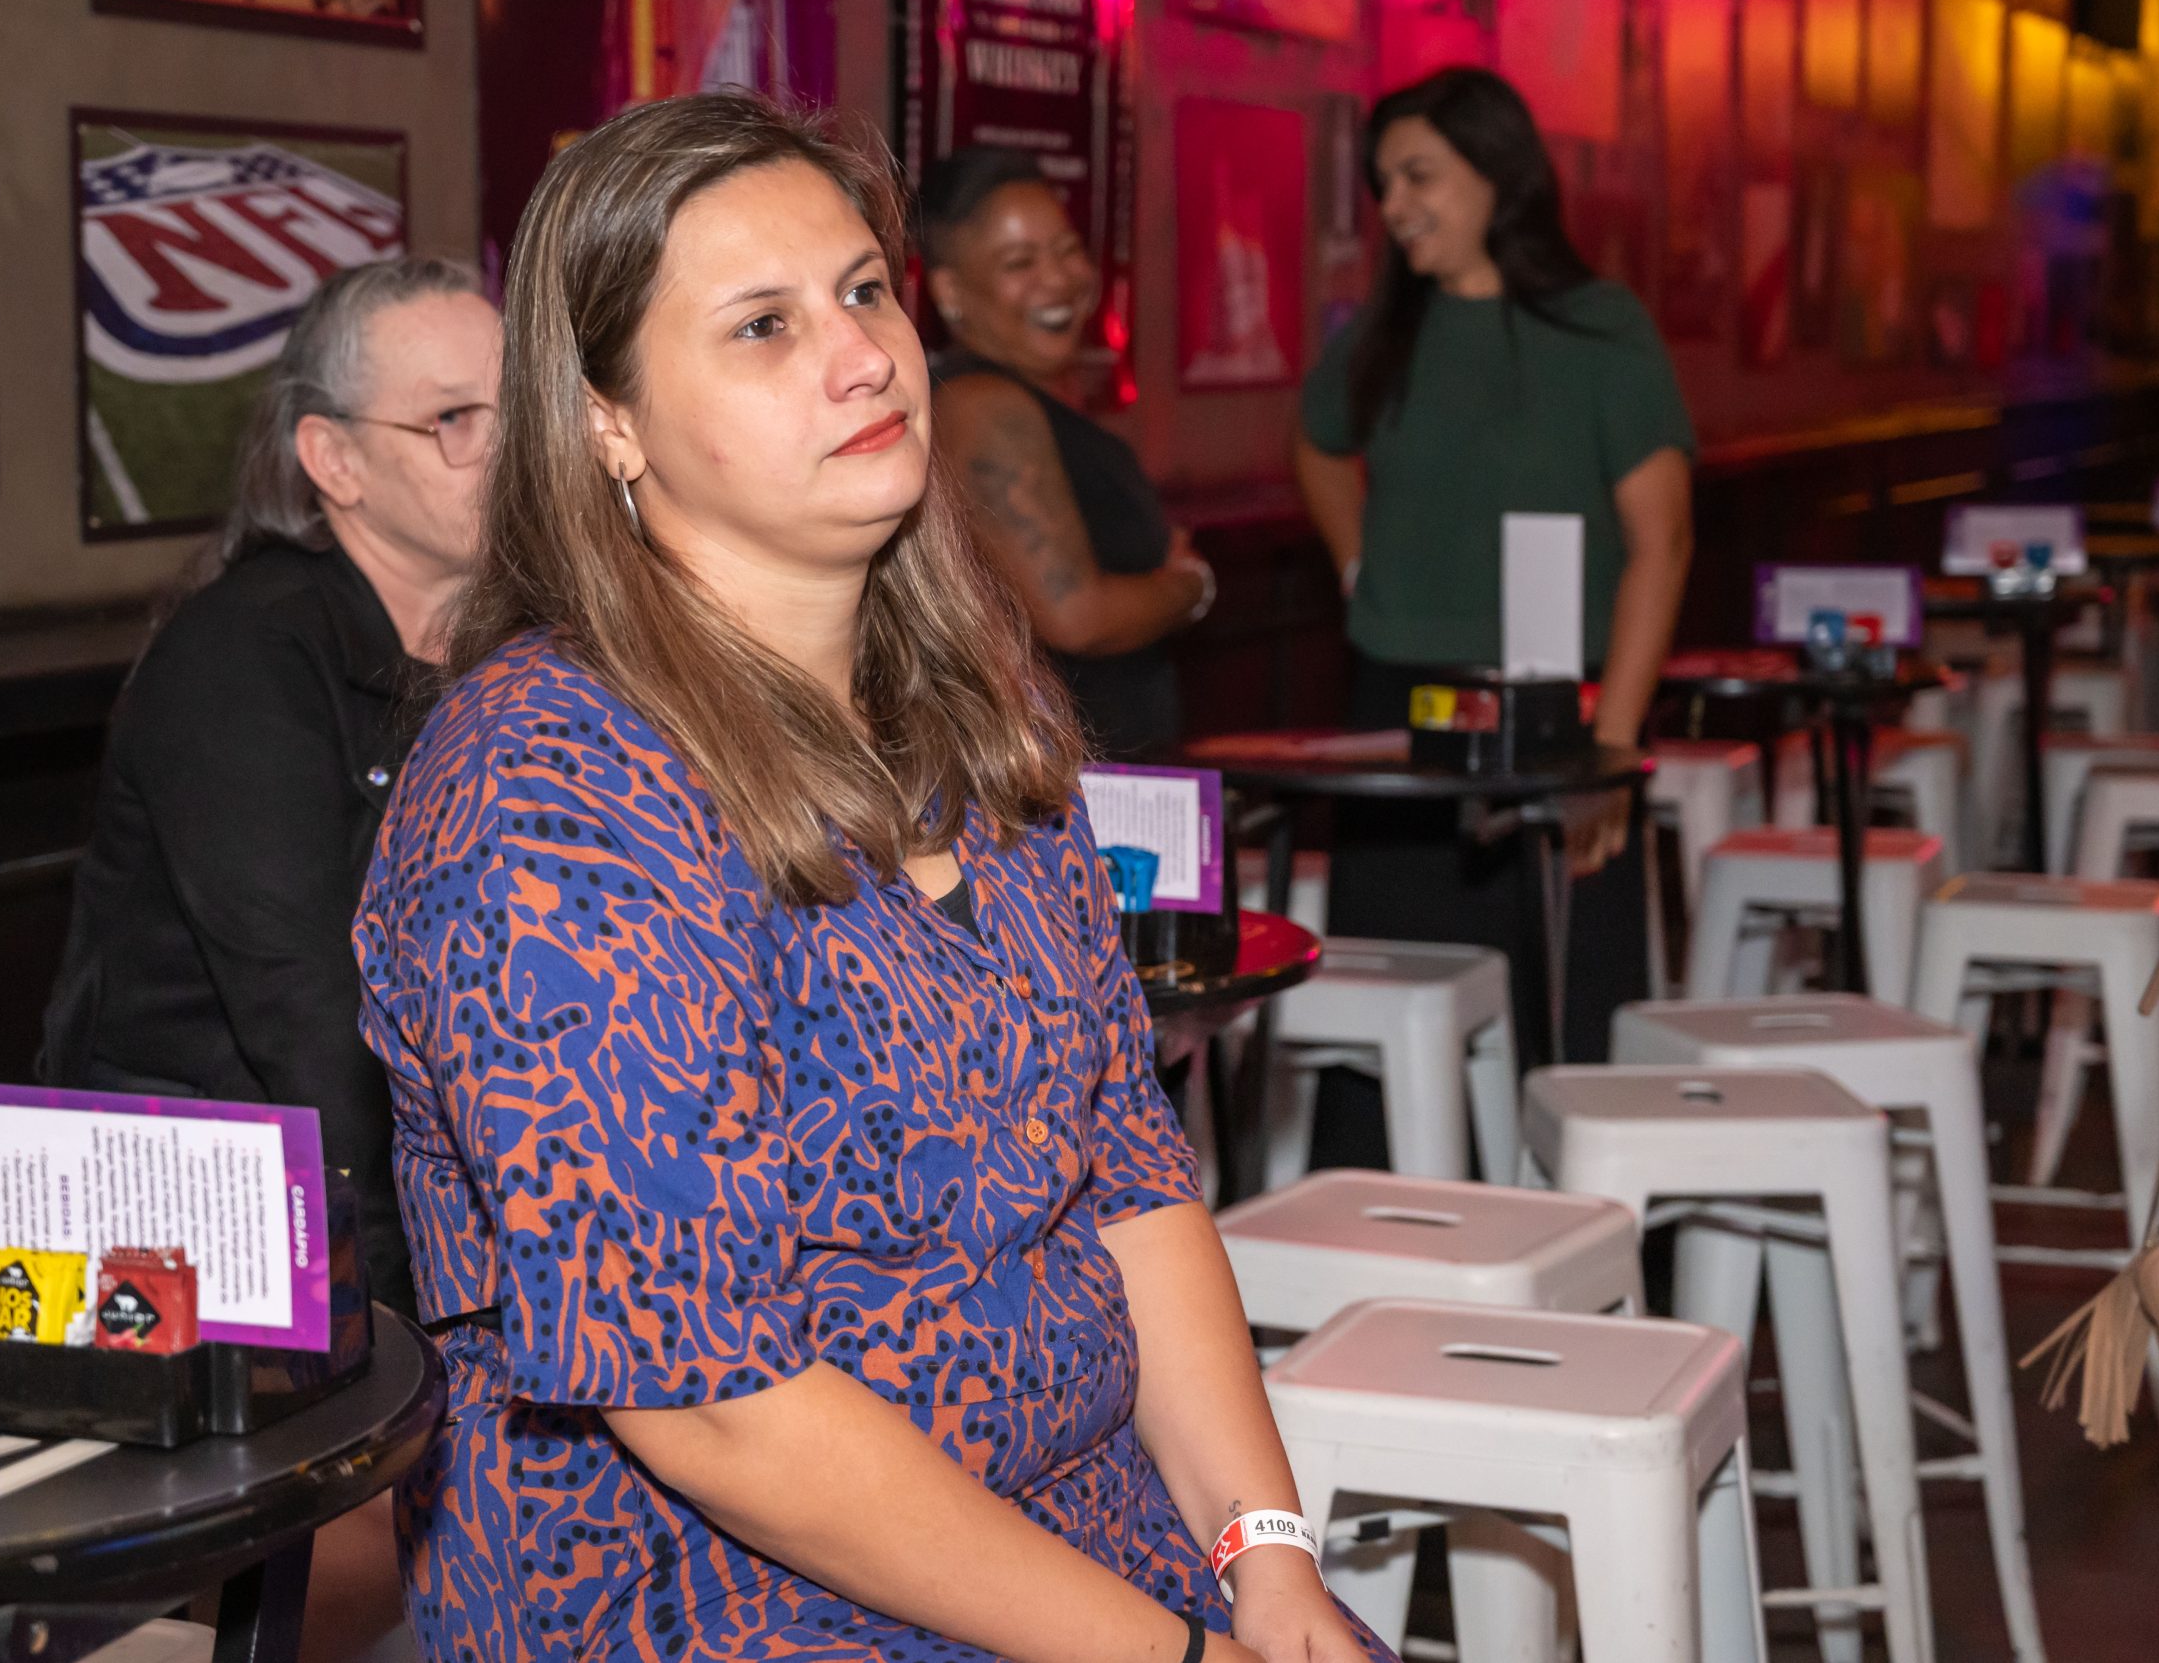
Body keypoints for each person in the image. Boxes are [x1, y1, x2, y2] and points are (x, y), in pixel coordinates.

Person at [356, 93, 1391, 1663]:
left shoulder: (980, 707)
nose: (860, 356)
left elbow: (1131, 1174)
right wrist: (1174, 1652)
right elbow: (712, 1402)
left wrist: (1269, 1557)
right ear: (607, 423)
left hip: (1094, 1538)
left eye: (862, 291)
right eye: (763, 325)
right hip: (720, 1596)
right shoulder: (548, 789)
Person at [40, 256, 501, 1328]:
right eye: (454, 419)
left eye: (521, 407)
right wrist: (418, 1329)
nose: (509, 447)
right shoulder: (243, 653)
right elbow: (310, 1020)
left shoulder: (515, 644)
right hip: (192, 1224)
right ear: (334, 459)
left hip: (399, 1191)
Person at [1293, 66, 1693, 1068]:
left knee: (1559, 1013)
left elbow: (1663, 544)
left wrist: (1610, 751)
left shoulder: (1599, 328)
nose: (1394, 206)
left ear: (1497, 173)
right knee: (1393, 1008)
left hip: (1561, 707)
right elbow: (1315, 442)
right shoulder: (1387, 332)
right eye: (1384, 184)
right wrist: (1355, 565)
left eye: (1418, 176)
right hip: (1401, 706)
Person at [920, 148, 1213, 761]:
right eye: (1020, 262)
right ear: (950, 290)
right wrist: (1189, 586)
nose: (1059, 279)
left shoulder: (1011, 397)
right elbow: (1076, 617)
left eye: (1068, 249)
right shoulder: (986, 407)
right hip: (1068, 774)